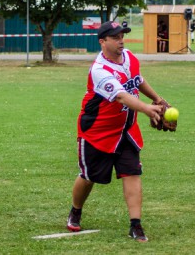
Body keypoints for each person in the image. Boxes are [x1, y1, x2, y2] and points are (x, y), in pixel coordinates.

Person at [67, 21, 176, 242]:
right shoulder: (99, 70)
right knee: (89, 177)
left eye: (122, 36)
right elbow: (120, 96)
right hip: (98, 132)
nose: (121, 40)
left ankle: (136, 225)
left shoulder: (129, 57)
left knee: (132, 172)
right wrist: (147, 109)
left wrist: (157, 99)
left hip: (126, 129)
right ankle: (75, 210)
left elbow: (138, 80)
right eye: (115, 37)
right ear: (102, 41)